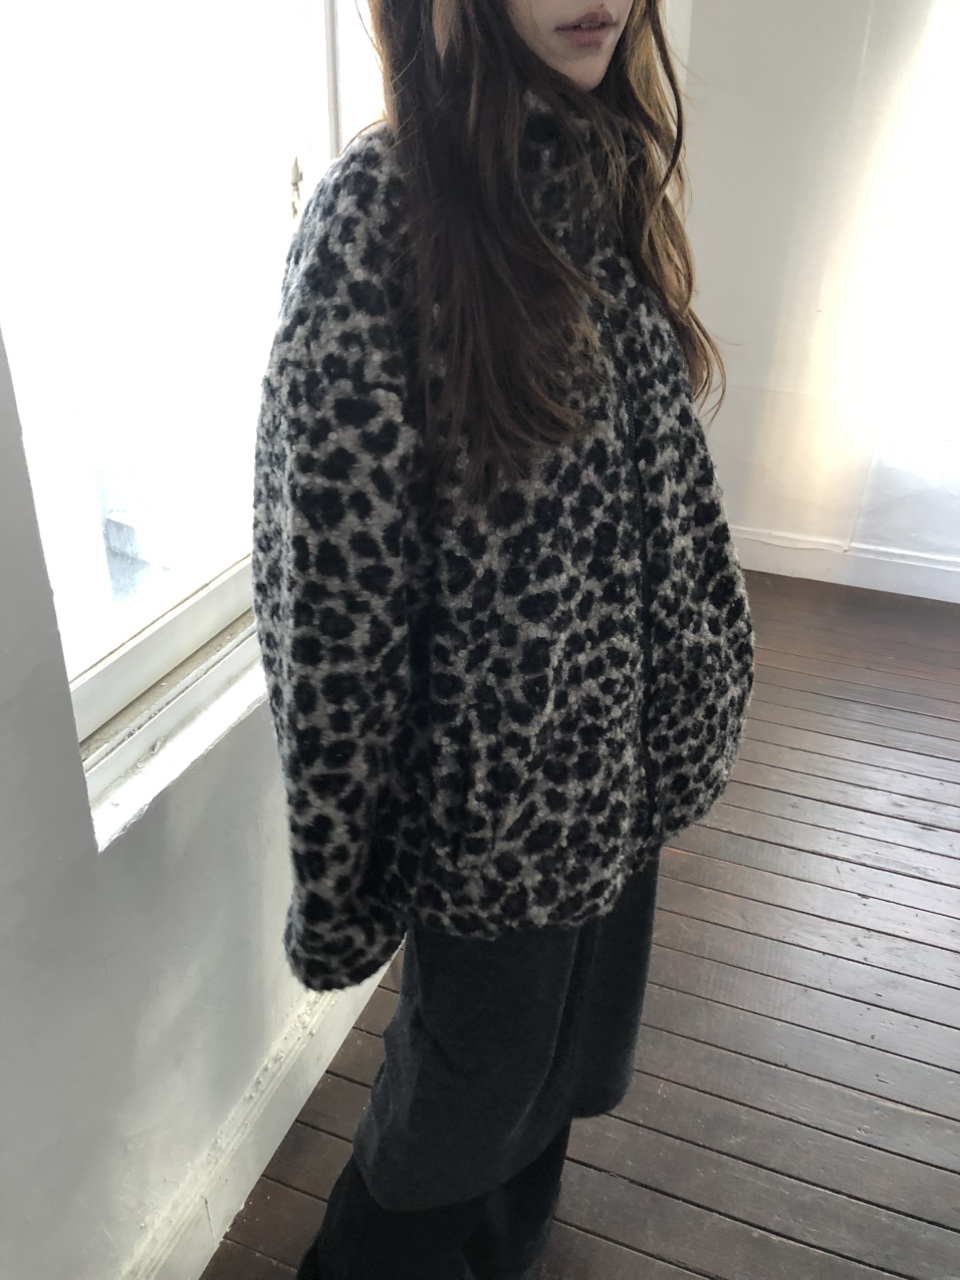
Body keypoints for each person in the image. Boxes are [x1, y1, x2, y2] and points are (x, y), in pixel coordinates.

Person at [251, 1, 755, 1276]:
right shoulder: (378, 218)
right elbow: (331, 597)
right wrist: (347, 859)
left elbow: (662, 483)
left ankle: (505, 1252)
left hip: (621, 765)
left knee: (564, 1068)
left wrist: (699, 664)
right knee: (460, 1101)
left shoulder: (598, 169)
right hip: (494, 816)